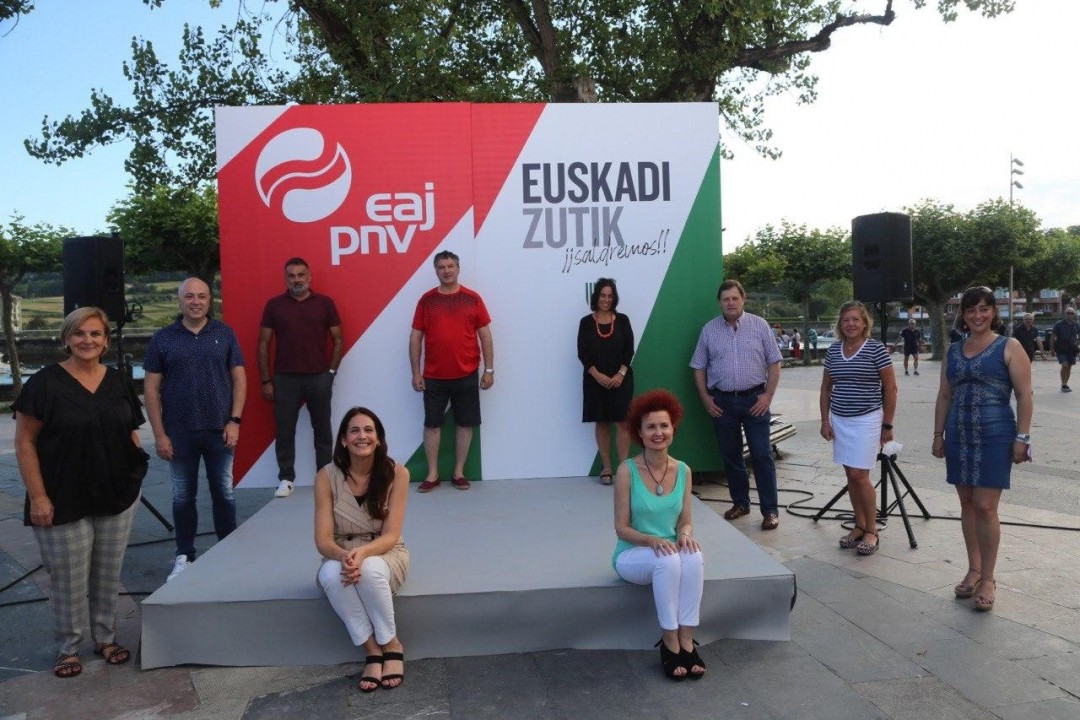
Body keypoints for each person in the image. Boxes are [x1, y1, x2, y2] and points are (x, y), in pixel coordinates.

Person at [13, 307, 149, 678]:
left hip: (116, 494)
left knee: (107, 574)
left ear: (105, 340)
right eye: (79, 333)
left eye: (95, 334)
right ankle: (68, 648)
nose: (87, 340)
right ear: (66, 338)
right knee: (68, 579)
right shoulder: (44, 384)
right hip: (61, 496)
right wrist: (38, 497)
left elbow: (130, 429)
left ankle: (106, 638)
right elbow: (24, 442)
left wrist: (134, 465)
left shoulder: (118, 380)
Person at [932, 286, 1032, 612]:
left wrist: (1023, 437)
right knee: (967, 503)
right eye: (971, 310)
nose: (977, 316)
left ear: (993, 312)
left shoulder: (1010, 346)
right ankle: (973, 569)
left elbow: (1025, 395)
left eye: (983, 309)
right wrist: (938, 434)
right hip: (959, 434)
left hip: (996, 434)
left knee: (986, 506)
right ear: (963, 314)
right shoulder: (953, 351)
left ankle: (988, 578)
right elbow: (944, 395)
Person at [144, 278, 247, 582]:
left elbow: (240, 379)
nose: (196, 302)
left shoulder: (225, 334)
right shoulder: (163, 338)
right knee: (182, 496)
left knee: (224, 493)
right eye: (189, 296)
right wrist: (160, 435)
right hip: (179, 432)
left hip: (220, 430)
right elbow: (151, 390)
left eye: (202, 296)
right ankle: (184, 555)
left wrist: (235, 420)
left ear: (209, 300)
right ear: (179, 301)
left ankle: (228, 551)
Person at [612, 390, 705, 681]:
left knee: (693, 555)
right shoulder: (627, 471)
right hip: (633, 554)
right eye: (650, 427)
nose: (658, 432)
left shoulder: (683, 470)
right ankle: (669, 639)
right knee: (669, 560)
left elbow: (685, 521)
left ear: (673, 428)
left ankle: (687, 638)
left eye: (664, 425)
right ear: (639, 432)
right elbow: (621, 528)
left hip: (670, 550)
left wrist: (685, 534)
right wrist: (652, 540)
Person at [315, 407, 410, 692]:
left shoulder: (397, 473)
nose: (362, 436)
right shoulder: (326, 476)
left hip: (384, 551)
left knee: (368, 570)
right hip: (341, 551)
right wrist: (344, 556)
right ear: (343, 440)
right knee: (331, 575)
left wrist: (363, 554)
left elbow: (391, 535)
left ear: (379, 439)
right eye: (354, 430)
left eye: (369, 430)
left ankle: (391, 644)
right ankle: (371, 650)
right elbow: (323, 540)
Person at [690, 279, 784, 530]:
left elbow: (774, 363)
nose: (730, 303)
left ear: (743, 299)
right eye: (726, 299)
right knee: (731, 456)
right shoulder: (709, 330)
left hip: (755, 400)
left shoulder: (760, 325)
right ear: (719, 302)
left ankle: (770, 511)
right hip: (722, 402)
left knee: (762, 455)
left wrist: (768, 396)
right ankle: (740, 503)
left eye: (735, 298)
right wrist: (705, 398)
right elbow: (698, 367)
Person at [409, 250, 494, 492]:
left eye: (450, 266)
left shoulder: (472, 299)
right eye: (441, 267)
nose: (446, 271)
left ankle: (459, 473)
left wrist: (489, 369)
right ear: (436, 271)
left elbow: (485, 336)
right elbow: (415, 337)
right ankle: (432, 474)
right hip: (433, 376)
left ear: (458, 268)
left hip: (467, 373)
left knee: (465, 423)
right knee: (432, 425)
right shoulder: (427, 301)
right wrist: (416, 373)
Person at [258, 257, 343, 497]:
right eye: (291, 276)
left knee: (323, 431)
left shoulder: (325, 303)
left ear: (309, 276)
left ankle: (324, 478)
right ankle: (286, 479)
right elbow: (263, 343)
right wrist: (266, 380)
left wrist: (331, 372)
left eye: (300, 275)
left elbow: (338, 338)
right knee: (284, 431)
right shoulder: (274, 305)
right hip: (285, 378)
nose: (296, 280)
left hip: (319, 377)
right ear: (286, 278)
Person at [819, 301, 897, 556]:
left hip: (867, 420)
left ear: (865, 323)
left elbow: (891, 388)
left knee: (859, 476)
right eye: (846, 320)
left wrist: (887, 424)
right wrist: (825, 421)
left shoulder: (876, 349)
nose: (850, 324)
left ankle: (872, 530)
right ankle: (859, 525)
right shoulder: (834, 351)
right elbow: (826, 388)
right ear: (840, 324)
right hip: (840, 420)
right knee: (850, 476)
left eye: (855, 319)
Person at [577, 278, 635, 485]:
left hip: (621, 379)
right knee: (601, 421)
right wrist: (597, 375)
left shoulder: (623, 320)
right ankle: (607, 466)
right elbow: (583, 353)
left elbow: (629, 350)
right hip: (595, 380)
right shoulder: (586, 322)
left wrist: (620, 374)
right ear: (596, 296)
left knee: (622, 422)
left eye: (610, 296)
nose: (606, 299)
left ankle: (624, 468)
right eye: (603, 295)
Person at [1048, 306, 1078, 392]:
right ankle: (1063, 384)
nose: (1070, 314)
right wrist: (1052, 349)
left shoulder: (1076, 324)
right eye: (1068, 313)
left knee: (1069, 367)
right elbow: (1052, 337)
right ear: (1065, 314)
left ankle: (1065, 384)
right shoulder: (1058, 324)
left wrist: (1077, 342)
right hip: (1061, 348)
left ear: (1074, 315)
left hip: (1072, 349)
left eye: (1072, 313)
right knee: (1064, 365)